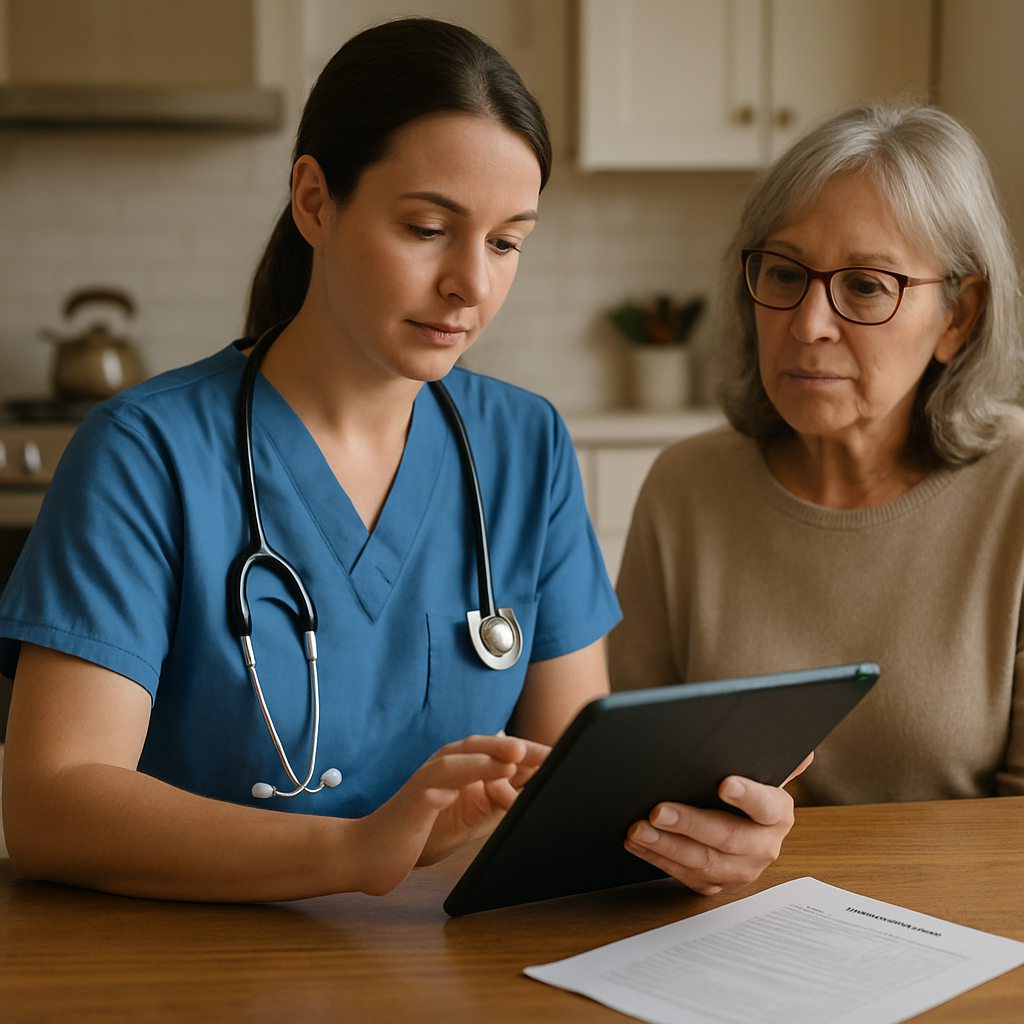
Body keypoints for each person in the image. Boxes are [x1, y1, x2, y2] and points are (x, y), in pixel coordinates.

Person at [0, 18, 799, 903]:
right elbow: (50, 806)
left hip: (446, 963)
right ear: (314, 201)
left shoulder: (526, 446)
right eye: (427, 228)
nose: (473, 284)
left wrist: (698, 829)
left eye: (506, 243)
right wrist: (354, 851)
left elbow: (570, 781)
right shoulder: (144, 454)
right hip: (187, 968)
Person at [609, 102, 1024, 805]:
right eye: (784, 273)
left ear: (959, 317)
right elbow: (624, 786)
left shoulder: (1014, 489)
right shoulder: (686, 486)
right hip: (726, 909)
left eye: (865, 286)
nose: (808, 324)